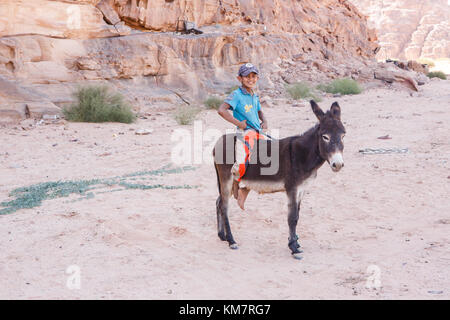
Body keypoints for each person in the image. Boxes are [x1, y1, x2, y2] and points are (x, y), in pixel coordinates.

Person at [217, 63, 269, 210]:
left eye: (253, 76)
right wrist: (239, 123)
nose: (250, 79)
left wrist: (264, 121)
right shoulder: (236, 95)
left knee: (266, 161)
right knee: (240, 163)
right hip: (244, 132)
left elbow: (260, 111)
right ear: (239, 78)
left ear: (257, 78)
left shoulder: (254, 95)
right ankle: (236, 183)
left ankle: (244, 190)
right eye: (247, 76)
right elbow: (221, 110)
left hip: (257, 132)